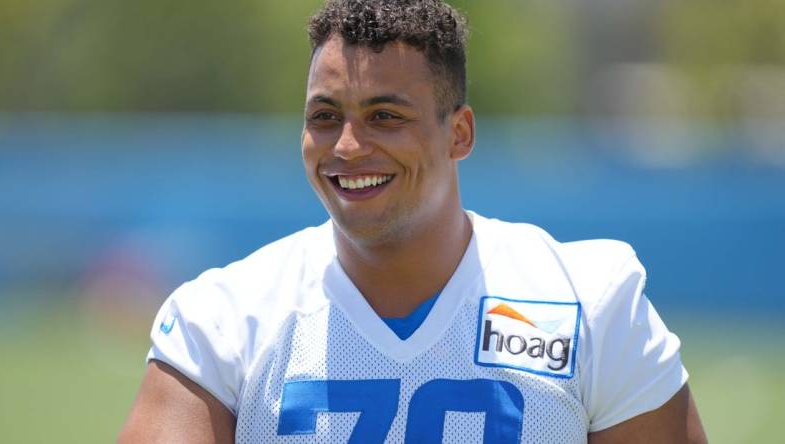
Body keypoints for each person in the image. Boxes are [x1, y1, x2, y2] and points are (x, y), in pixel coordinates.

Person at [119, 0, 707, 442]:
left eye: (384, 116)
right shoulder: (222, 321)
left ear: (459, 133)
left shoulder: (593, 302)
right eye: (325, 116)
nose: (347, 146)